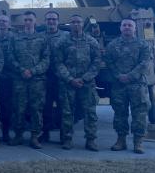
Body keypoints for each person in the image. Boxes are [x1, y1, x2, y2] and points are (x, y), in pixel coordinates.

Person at [55, 14, 100, 151]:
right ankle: (67, 139)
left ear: (82, 24)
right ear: (70, 24)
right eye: (73, 22)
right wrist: (70, 79)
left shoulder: (91, 41)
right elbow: (58, 63)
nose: (76, 24)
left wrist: (84, 78)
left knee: (90, 113)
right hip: (68, 83)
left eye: (78, 22)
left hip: (87, 83)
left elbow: (97, 62)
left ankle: (91, 140)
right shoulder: (62, 42)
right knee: (67, 112)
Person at [105, 18, 150, 154]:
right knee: (120, 113)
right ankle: (121, 140)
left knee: (139, 114)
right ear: (120, 28)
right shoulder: (112, 45)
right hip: (119, 85)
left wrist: (129, 76)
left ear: (135, 28)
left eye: (130, 25)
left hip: (137, 84)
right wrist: (118, 75)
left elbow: (144, 63)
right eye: (124, 25)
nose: (127, 27)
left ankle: (138, 142)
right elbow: (109, 62)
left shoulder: (143, 44)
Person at [8, 11, 49, 148]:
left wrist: (33, 71)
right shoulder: (15, 38)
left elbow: (46, 59)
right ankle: (18, 135)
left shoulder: (42, 38)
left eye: (30, 20)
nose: (27, 22)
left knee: (36, 109)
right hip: (19, 80)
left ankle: (35, 137)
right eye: (25, 20)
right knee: (18, 108)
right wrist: (21, 70)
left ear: (35, 21)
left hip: (37, 80)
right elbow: (10, 57)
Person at [41, 11, 68, 143]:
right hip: (44, 77)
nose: (51, 21)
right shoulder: (40, 37)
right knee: (45, 106)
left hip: (62, 77)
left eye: (54, 19)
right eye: (48, 19)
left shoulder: (66, 36)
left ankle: (64, 135)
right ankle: (45, 133)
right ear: (45, 21)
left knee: (63, 107)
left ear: (58, 21)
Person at [0, 14, 15, 142]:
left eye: (4, 21)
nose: (2, 23)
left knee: (6, 106)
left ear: (9, 24)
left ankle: (5, 133)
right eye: (0, 21)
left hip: (8, 77)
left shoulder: (14, 38)